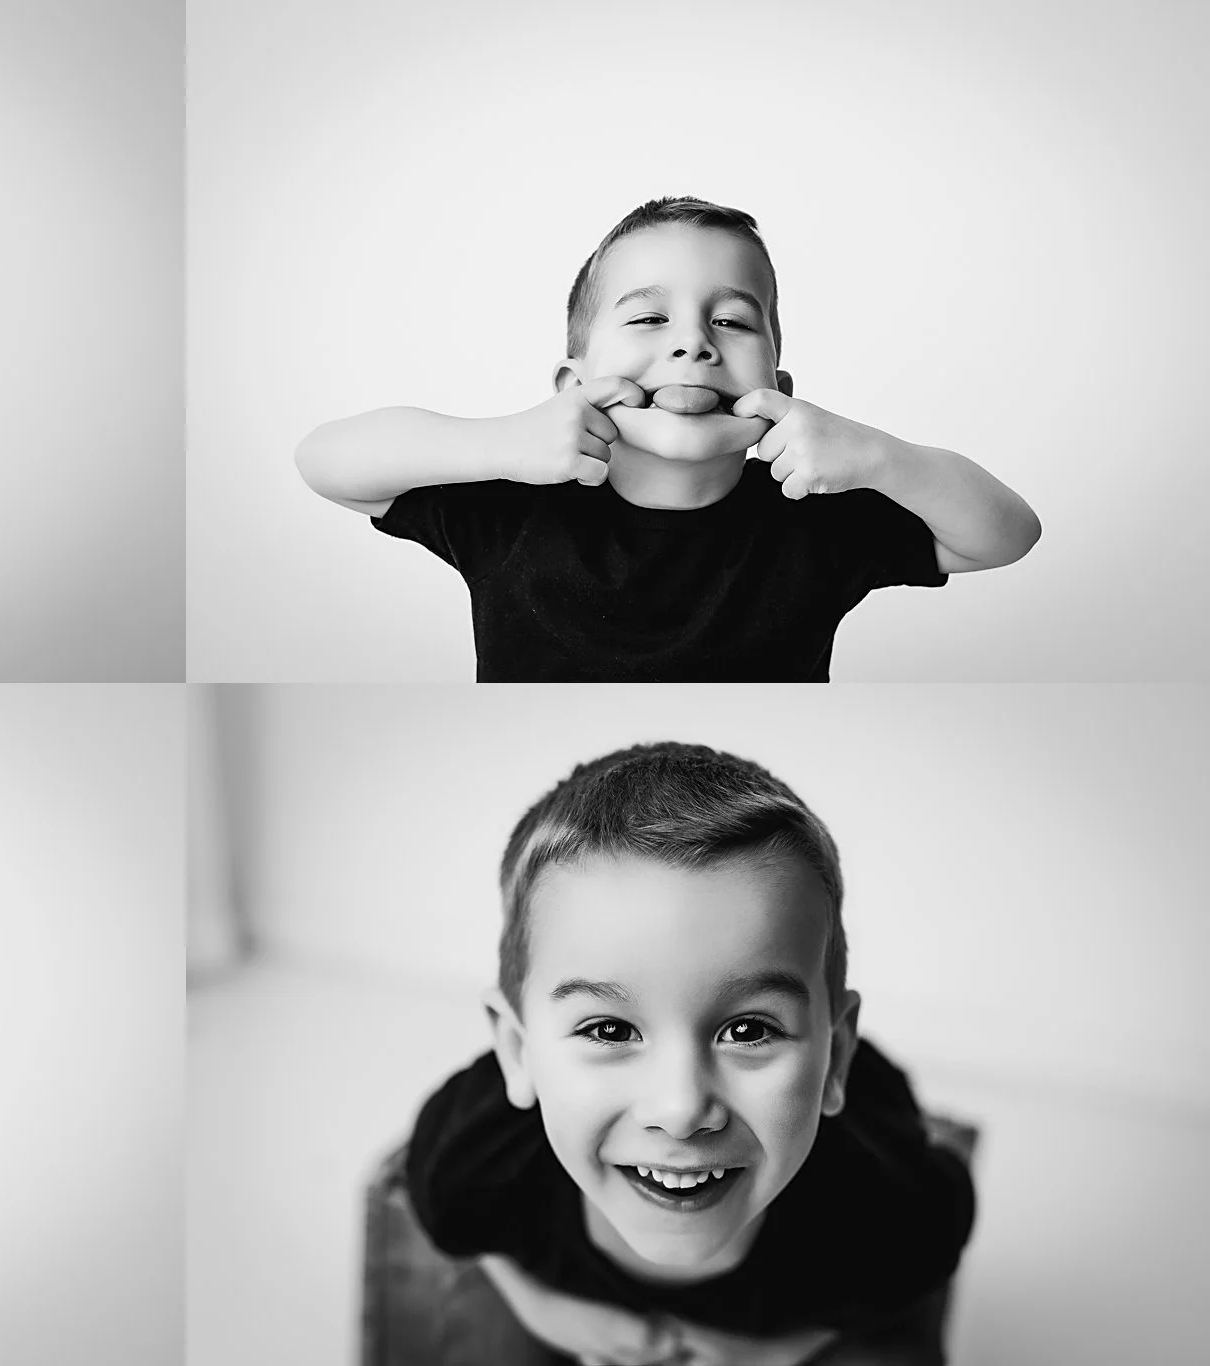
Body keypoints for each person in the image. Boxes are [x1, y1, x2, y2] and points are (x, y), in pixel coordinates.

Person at [294, 196, 1040, 681]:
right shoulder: (511, 507)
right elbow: (326, 462)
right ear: (570, 384)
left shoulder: (818, 516)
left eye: (733, 321)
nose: (692, 343)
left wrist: (881, 457)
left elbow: (1006, 534)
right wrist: (501, 442)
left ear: (780, 392)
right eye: (649, 319)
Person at [403, 743, 973, 1364]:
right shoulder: (468, 1165)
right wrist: (548, 1310)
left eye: (749, 1030)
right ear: (518, 1052)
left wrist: (773, 1354)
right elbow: (461, 1228)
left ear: (835, 1059)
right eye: (609, 1031)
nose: (680, 1110)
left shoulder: (888, 1214)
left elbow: (932, 1248)